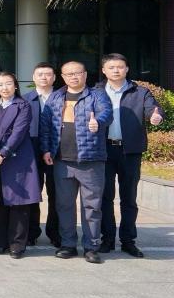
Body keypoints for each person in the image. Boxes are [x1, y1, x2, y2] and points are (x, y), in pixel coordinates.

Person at [39, 60, 113, 264]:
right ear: (62, 77)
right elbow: (46, 126)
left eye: (77, 73)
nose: (73, 76)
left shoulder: (97, 95)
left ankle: (91, 247)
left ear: (85, 74)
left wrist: (98, 122)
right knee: (64, 205)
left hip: (91, 160)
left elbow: (107, 114)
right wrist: (46, 149)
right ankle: (68, 244)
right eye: (69, 74)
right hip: (62, 161)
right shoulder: (55, 97)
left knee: (92, 206)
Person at [96, 53, 163, 257]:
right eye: (111, 67)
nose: (116, 70)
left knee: (129, 198)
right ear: (104, 70)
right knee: (105, 197)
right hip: (104, 150)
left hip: (130, 151)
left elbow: (152, 109)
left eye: (120, 67)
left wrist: (155, 116)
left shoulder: (140, 92)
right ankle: (107, 239)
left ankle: (128, 240)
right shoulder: (95, 92)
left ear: (127, 69)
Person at [0, 71, 41, 259]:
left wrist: (3, 154)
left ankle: (17, 245)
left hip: (17, 159)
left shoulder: (23, 105)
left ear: (15, 85)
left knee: (19, 204)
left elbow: (18, 133)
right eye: (0, 84)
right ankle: (1, 243)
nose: (5, 88)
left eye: (8, 83)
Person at [24, 63, 59, 247]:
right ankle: (31, 232)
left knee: (57, 194)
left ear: (54, 77)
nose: (44, 77)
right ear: (33, 77)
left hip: (58, 152)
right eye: (40, 74)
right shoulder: (25, 100)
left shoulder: (62, 98)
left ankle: (55, 233)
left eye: (48, 74)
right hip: (31, 152)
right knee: (32, 194)